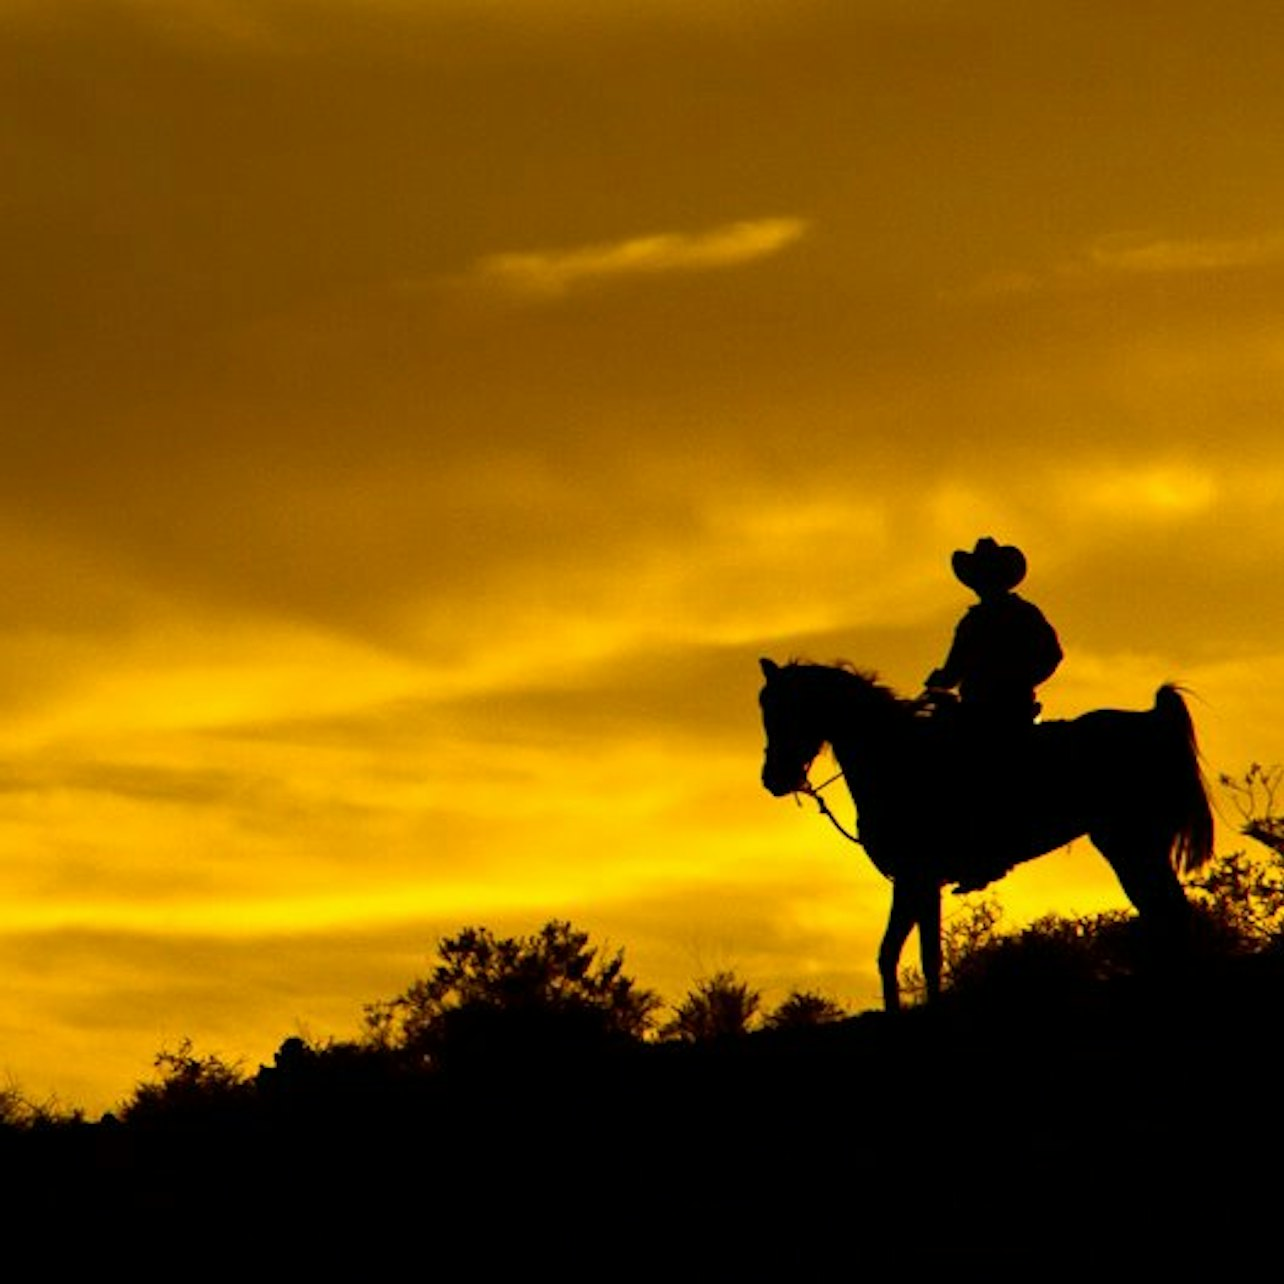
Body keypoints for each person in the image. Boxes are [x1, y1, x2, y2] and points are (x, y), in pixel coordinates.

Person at [925, 537, 1063, 892]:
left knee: (981, 767)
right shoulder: (973, 622)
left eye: (987, 576)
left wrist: (1017, 680)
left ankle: (986, 851)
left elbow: (1051, 655)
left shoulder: (1021, 615)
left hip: (1006, 709)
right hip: (973, 709)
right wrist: (941, 680)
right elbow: (953, 669)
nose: (983, 584)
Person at [925, 537, 1062, 734]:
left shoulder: (977, 621)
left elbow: (1051, 655)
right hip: (991, 707)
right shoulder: (1014, 614)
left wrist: (1014, 683)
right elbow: (1051, 654)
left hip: (1003, 709)